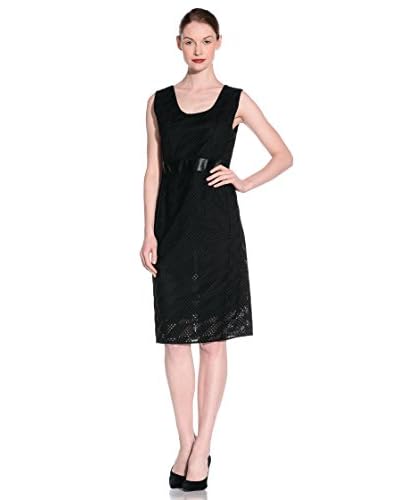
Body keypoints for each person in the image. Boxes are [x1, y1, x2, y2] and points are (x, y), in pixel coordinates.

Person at [140, 8, 293, 491]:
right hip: (172, 225)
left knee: (211, 340)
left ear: (219, 43)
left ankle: (204, 443)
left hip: (216, 227)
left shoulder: (235, 100)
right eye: (190, 41)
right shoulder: (158, 102)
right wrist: (148, 232)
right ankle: (185, 441)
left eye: (206, 41)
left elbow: (283, 155)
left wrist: (244, 181)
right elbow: (152, 171)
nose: (198, 50)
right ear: (178, 44)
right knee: (175, 339)